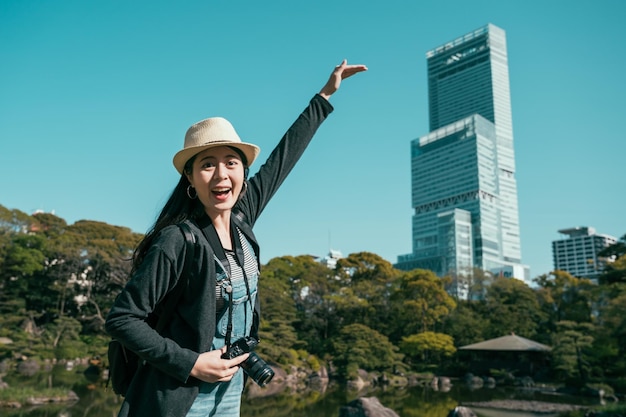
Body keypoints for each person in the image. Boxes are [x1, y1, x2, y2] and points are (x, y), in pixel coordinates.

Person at [105, 59, 367, 417]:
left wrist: (323, 96)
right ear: (191, 179)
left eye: (231, 162)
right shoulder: (179, 241)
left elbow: (282, 159)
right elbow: (122, 319)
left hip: (231, 390)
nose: (221, 174)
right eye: (207, 164)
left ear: (243, 173)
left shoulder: (243, 220)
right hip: (180, 395)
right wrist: (192, 363)